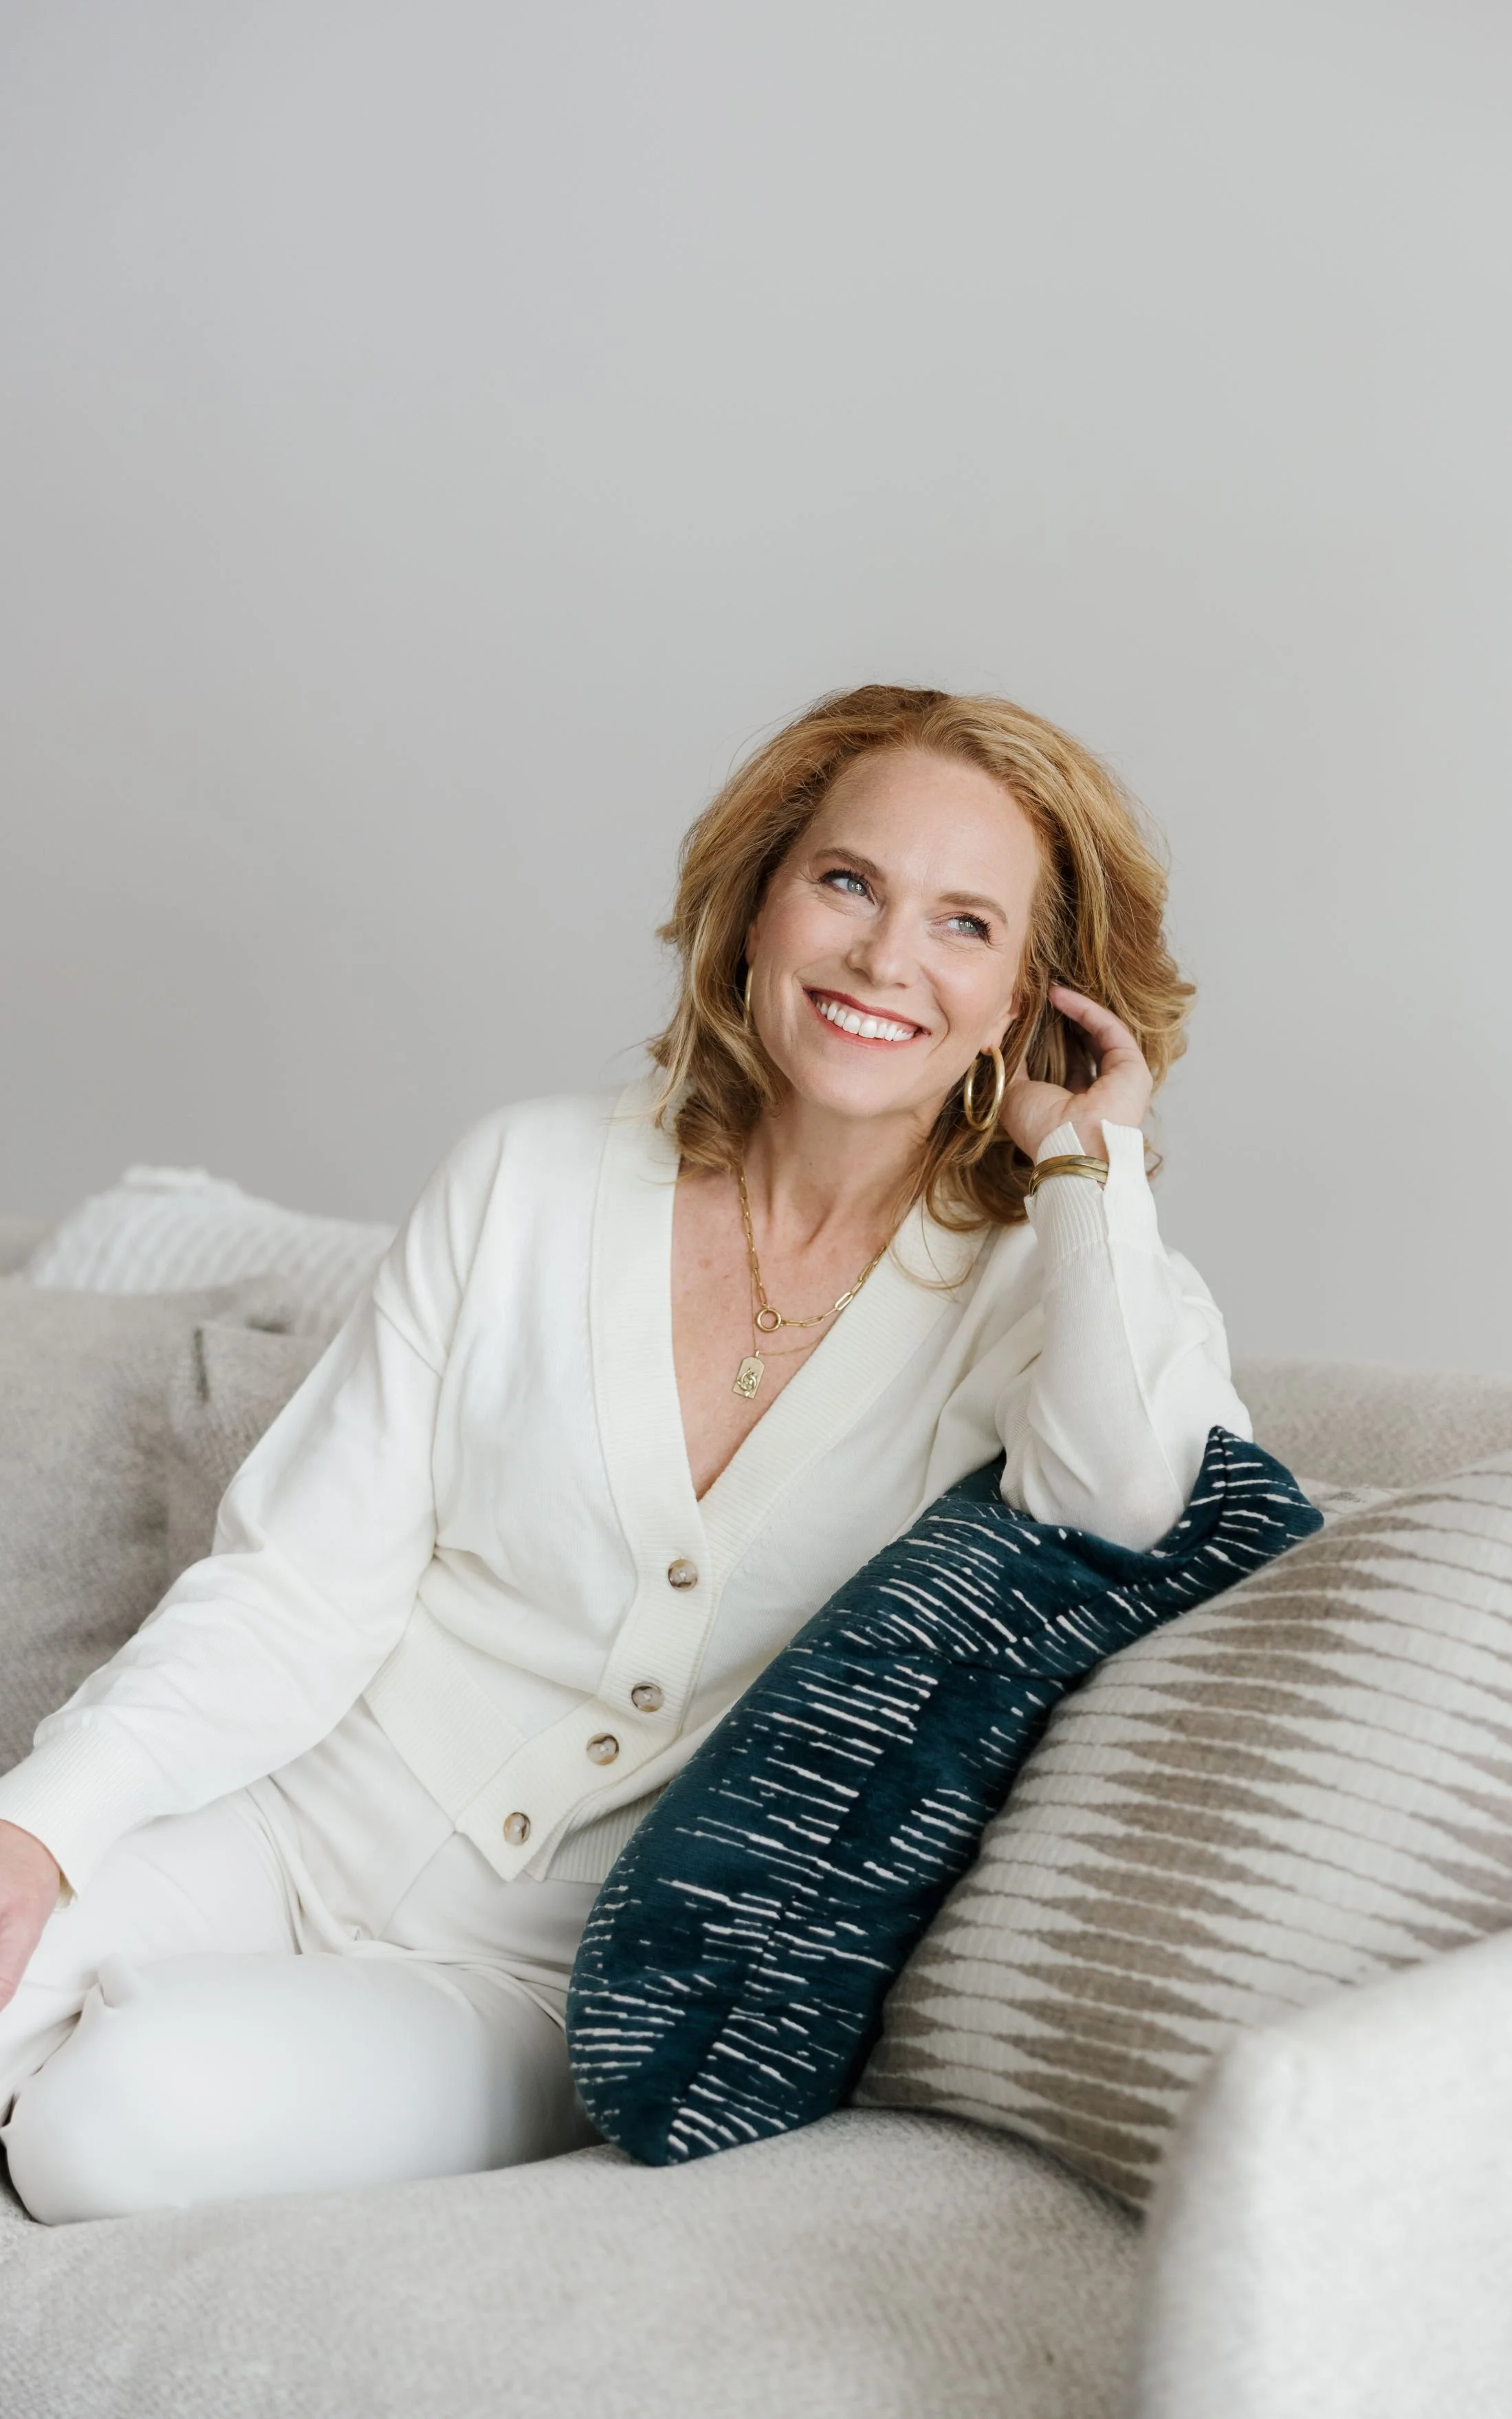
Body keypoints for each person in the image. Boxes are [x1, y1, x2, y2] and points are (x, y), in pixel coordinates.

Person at [0, 683, 1249, 2222]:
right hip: (283, 1817)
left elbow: (1129, 1496)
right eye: (846, 882)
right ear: (757, 903)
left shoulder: (1055, 1289)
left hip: (534, 1978)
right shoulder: (527, 1173)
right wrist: (46, 1826)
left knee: (112, 2125)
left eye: (964, 924)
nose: (881, 957)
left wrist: (1089, 1163)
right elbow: (292, 1589)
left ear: (1030, 1000)